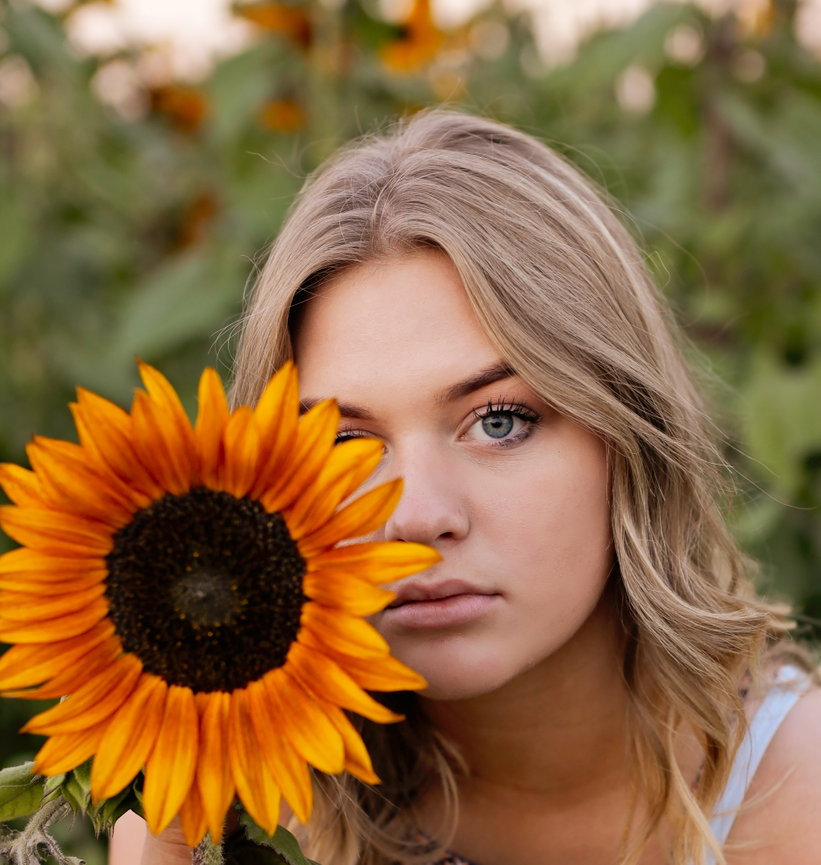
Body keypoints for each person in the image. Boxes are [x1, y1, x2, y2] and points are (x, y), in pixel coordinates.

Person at [110, 109, 821, 865]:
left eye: (499, 421)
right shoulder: (251, 814)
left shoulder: (793, 802)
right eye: (344, 443)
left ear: (628, 433)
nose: (417, 514)